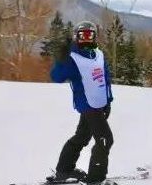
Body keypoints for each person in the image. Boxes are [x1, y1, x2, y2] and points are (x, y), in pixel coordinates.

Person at [49, 21, 114, 185]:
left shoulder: (98, 54)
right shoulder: (72, 57)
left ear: (94, 36)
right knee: (105, 139)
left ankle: (64, 170)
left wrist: (108, 101)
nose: (86, 39)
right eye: (82, 35)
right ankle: (96, 179)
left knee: (82, 137)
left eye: (89, 35)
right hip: (87, 105)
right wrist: (61, 59)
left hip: (99, 104)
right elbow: (57, 77)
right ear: (76, 37)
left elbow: (105, 79)